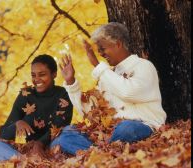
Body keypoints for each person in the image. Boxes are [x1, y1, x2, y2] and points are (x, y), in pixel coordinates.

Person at [56, 22, 166, 152]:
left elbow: (128, 92)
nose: (101, 54)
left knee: (126, 128)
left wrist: (98, 66)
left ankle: (97, 153)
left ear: (118, 44)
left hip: (143, 126)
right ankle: (102, 153)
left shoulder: (143, 66)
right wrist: (71, 82)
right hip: (110, 134)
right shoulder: (107, 75)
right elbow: (89, 112)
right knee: (66, 133)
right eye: (99, 50)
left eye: (102, 49)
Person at [0, 54, 73, 162]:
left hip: (54, 146)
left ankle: (36, 163)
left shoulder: (63, 93)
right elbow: (4, 134)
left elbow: (61, 125)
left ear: (54, 74)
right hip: (28, 152)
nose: (36, 79)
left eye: (42, 74)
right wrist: (17, 124)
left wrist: (39, 143)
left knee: (67, 132)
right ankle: (26, 163)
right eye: (33, 75)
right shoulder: (26, 95)